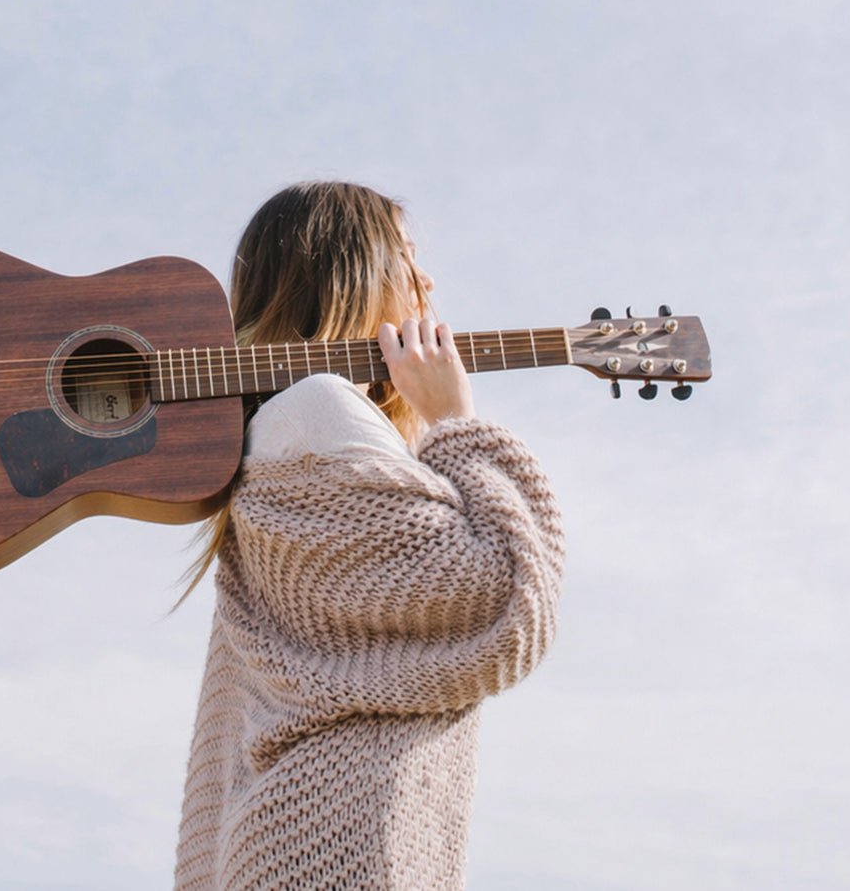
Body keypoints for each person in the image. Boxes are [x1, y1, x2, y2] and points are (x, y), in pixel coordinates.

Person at [172, 182, 566, 890]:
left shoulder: (277, 434)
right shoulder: (320, 409)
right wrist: (455, 422)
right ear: (357, 273)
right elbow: (500, 594)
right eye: (409, 257)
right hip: (338, 842)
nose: (429, 281)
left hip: (291, 838)